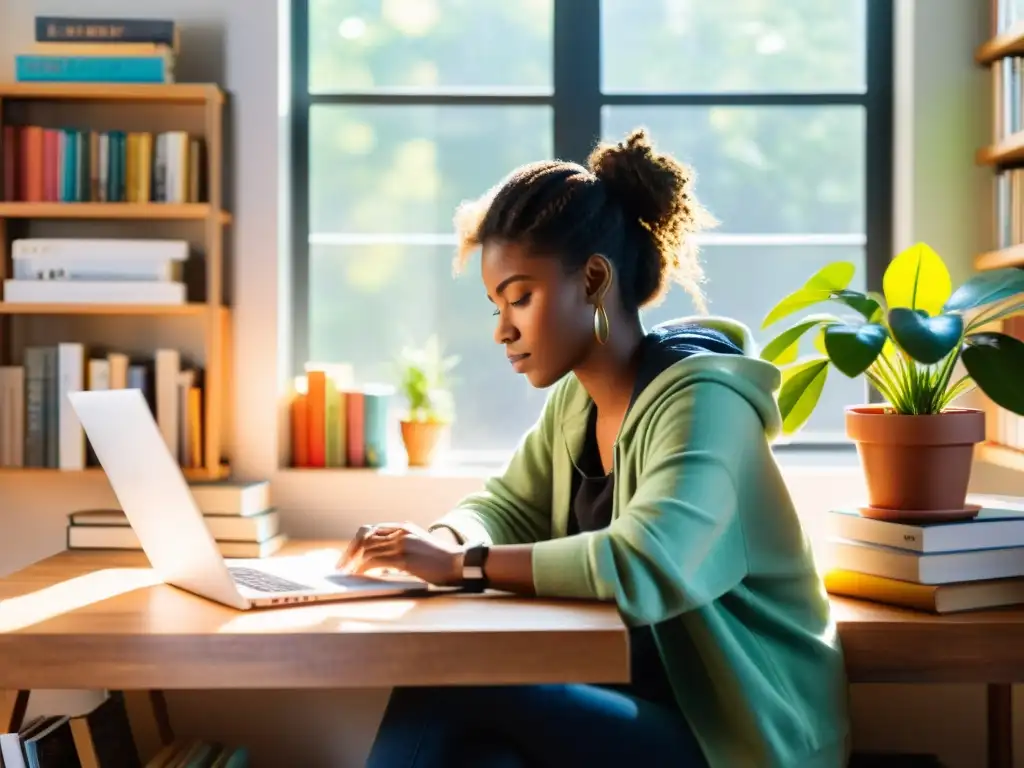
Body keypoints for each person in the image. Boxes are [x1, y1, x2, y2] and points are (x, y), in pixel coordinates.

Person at [341, 127, 851, 768]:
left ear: (593, 279)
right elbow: (505, 506)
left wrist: (463, 566)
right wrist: (441, 539)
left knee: (453, 676)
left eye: (520, 297)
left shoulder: (704, 404)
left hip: (735, 735)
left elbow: (648, 562)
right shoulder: (577, 402)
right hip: (625, 704)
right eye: (496, 304)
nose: (503, 329)